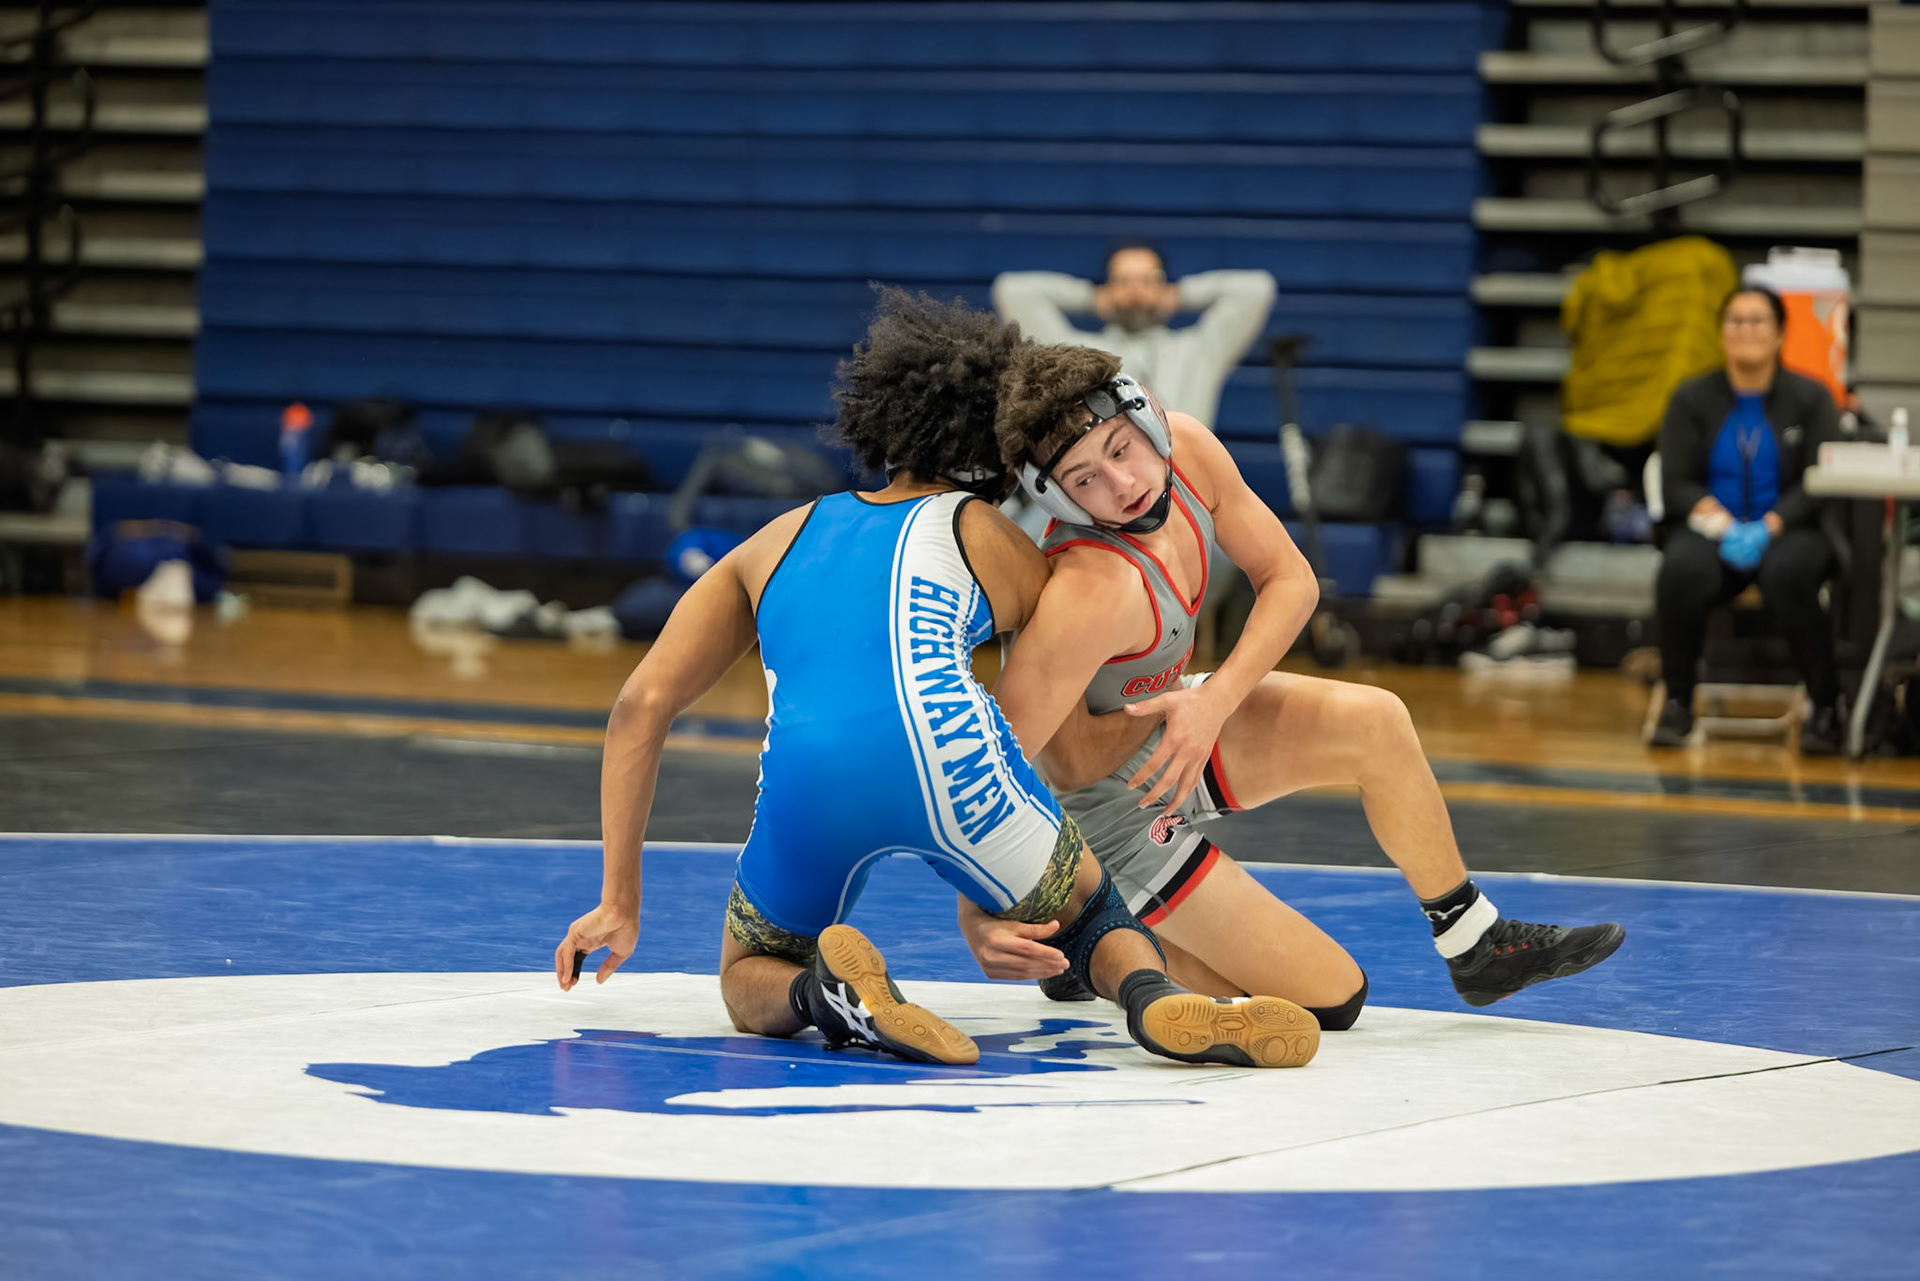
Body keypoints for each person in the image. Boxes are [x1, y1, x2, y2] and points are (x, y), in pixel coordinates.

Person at [553, 290, 1320, 1071]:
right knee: (1093, 913)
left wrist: (619, 899)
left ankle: (823, 996)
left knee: (749, 970)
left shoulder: (771, 540)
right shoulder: (987, 532)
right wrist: (991, 894)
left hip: (807, 784)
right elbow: (1059, 661)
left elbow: (640, 705)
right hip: (953, 765)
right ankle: (1150, 996)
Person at [964, 336, 1625, 1016]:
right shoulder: (1089, 592)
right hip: (1101, 816)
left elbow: (1291, 580)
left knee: (1377, 722)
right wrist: (980, 912)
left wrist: (1215, 701)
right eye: (1084, 480)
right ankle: (1086, 930)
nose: (1123, 485)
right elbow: (993, 768)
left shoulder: (1188, 454)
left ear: (1147, 417)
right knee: (1332, 997)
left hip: (1169, 729)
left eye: (1120, 450)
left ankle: (1473, 941)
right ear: (1057, 498)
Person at [1648, 286, 1846, 753]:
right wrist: (1714, 517)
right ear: (1722, 332)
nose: (1745, 330)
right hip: (1715, 530)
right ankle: (1677, 702)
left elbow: (1820, 479)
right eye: (1735, 320)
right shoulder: (1691, 397)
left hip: (1790, 529)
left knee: (1788, 573)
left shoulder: (1812, 398)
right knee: (1679, 571)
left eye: (1758, 320)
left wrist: (1773, 522)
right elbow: (1674, 480)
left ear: (1780, 334)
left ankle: (1825, 707)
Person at [992, 243, 1275, 432]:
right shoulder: (1076, 353)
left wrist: (1181, 296)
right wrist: (1091, 298)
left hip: (1183, 484)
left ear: (1165, 286)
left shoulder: (1198, 350)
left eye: (1149, 279)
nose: (1136, 291)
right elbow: (1012, 291)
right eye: (1123, 281)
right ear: (1108, 287)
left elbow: (1257, 289)